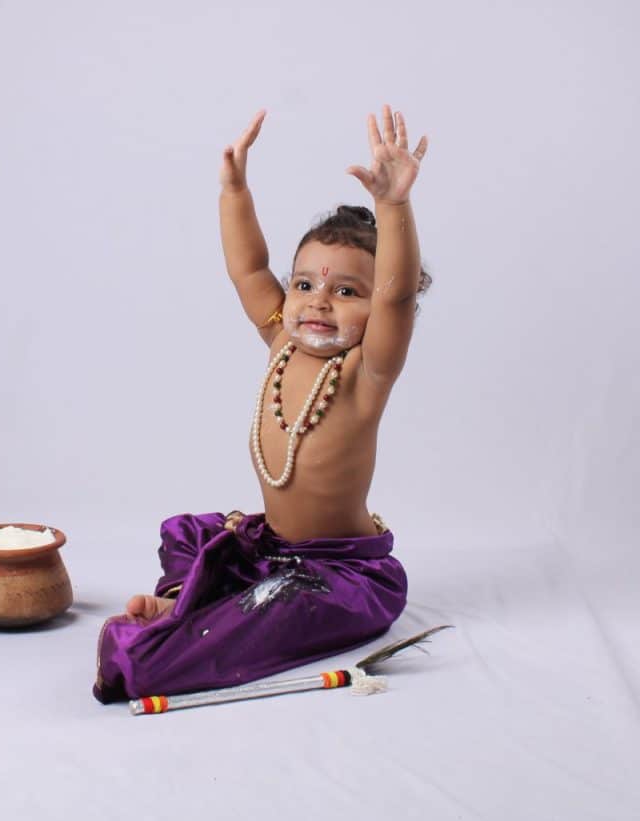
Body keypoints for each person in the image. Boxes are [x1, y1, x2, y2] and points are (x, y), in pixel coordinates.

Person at [94, 105, 433, 704]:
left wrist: (394, 206)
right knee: (188, 534)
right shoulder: (282, 340)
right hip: (273, 549)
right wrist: (234, 191)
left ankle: (180, 630)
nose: (316, 301)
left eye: (346, 290)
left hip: (339, 577)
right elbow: (248, 267)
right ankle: (190, 602)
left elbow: (398, 296)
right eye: (304, 284)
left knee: (277, 601)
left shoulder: (364, 372)